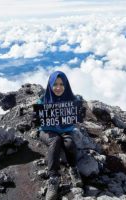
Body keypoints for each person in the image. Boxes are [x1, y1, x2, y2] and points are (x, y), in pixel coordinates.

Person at [34, 71, 84, 200]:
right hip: (47, 131)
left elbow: (76, 115)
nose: (58, 87)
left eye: (62, 84)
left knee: (69, 143)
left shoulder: (72, 100)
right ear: (50, 85)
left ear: (66, 85)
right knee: (55, 140)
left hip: (65, 130)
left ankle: (73, 169)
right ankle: (53, 178)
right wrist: (35, 118)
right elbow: (39, 122)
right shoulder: (42, 101)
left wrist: (80, 113)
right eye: (55, 84)